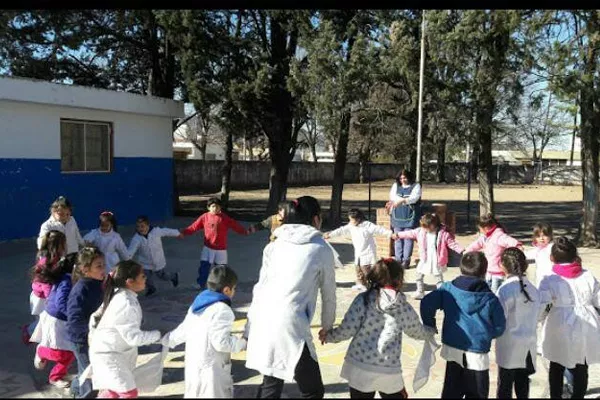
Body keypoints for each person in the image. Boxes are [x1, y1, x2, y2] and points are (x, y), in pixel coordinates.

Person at [244, 196, 337, 399]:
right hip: (291, 324)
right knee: (312, 390)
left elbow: (259, 288)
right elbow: (329, 293)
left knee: (271, 382)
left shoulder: (273, 246)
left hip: (264, 320)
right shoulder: (321, 249)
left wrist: (249, 326)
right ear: (315, 219)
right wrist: (327, 326)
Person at [319, 258, 434, 399]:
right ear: (399, 280)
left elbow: (347, 329)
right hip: (388, 369)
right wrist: (430, 331)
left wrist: (329, 336)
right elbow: (416, 331)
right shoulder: (403, 307)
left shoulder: (363, 300)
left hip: (359, 367)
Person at [420, 252, 506, 399]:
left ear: (461, 268)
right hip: (477, 351)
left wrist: (430, 324)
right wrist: (487, 334)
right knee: (477, 392)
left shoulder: (447, 289)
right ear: (484, 272)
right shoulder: (490, 298)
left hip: (452, 347)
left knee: (452, 389)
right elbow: (500, 327)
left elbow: (426, 303)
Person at [164, 265, 247, 398]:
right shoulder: (222, 310)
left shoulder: (198, 305)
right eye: (234, 289)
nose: (234, 292)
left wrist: (166, 339)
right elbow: (221, 343)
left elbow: (183, 330)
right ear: (226, 290)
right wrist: (242, 343)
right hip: (211, 369)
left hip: (194, 364)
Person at [88, 260, 162, 399]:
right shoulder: (125, 303)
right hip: (108, 354)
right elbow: (133, 338)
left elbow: (95, 318)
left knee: (113, 391)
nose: (145, 278)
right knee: (128, 393)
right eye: (142, 276)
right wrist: (157, 335)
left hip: (111, 352)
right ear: (129, 281)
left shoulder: (120, 294)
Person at [538, 236, 600, 399]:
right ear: (575, 256)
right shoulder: (587, 275)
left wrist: (536, 320)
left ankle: (556, 396)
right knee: (581, 364)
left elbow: (542, 305)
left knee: (556, 364)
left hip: (559, 324)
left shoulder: (549, 278)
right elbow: (598, 299)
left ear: (552, 258)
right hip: (586, 324)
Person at [495, 248, 544, 399]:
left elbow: (499, 318)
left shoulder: (504, 290)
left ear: (502, 266)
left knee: (505, 386)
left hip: (509, 345)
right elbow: (540, 315)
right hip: (528, 344)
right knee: (523, 384)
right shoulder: (534, 290)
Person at [30, 253, 78, 388]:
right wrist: (72, 316)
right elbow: (61, 302)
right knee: (65, 353)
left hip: (59, 318)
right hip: (57, 320)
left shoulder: (68, 278)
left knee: (69, 352)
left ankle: (56, 374)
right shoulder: (66, 281)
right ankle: (43, 353)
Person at [393, 213, 465, 300]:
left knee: (438, 278)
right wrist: (398, 235)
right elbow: (409, 233)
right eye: (423, 226)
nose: (424, 228)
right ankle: (420, 291)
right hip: (425, 259)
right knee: (418, 276)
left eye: (426, 226)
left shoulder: (443, 234)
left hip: (437, 260)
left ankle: (441, 293)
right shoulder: (420, 231)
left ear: (433, 225)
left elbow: (452, 244)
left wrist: (462, 250)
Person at [180, 197, 248, 288]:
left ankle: (221, 286)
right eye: (213, 206)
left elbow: (235, 226)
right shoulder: (204, 217)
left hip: (221, 249)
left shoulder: (224, 218)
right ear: (208, 207)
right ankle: (200, 284)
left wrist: (245, 231)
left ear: (220, 208)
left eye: (217, 207)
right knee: (204, 268)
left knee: (221, 270)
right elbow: (193, 227)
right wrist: (183, 232)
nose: (215, 208)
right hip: (208, 248)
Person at [323, 208, 397, 292]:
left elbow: (379, 229)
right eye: (350, 220)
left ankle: (372, 286)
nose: (351, 222)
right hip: (358, 252)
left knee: (367, 270)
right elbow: (341, 230)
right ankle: (361, 284)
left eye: (352, 220)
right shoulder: (351, 226)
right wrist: (330, 234)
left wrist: (390, 234)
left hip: (367, 252)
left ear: (358, 219)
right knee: (358, 269)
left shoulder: (367, 225)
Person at [67, 246, 106, 398]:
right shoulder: (80, 290)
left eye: (103, 264)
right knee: (91, 374)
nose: (103, 268)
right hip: (81, 339)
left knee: (85, 369)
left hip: (93, 336)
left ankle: (76, 389)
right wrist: (88, 334)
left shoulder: (98, 282)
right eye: (98, 266)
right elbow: (74, 318)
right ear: (85, 270)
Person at [23, 230, 67, 344]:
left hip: (45, 296)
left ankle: (35, 334)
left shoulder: (55, 259)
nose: (66, 246)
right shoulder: (46, 262)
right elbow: (46, 283)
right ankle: (28, 331)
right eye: (64, 244)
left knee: (43, 321)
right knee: (42, 322)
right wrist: (51, 299)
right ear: (57, 246)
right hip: (42, 299)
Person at [465, 213, 522, 293]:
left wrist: (517, 245)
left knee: (496, 294)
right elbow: (477, 243)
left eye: (480, 229)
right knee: (486, 292)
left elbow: (509, 240)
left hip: (498, 273)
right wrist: (467, 251)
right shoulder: (485, 237)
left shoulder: (499, 236)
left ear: (486, 228)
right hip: (488, 271)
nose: (480, 231)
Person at [127, 215, 182, 297]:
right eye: (138, 227)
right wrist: (127, 258)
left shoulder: (156, 231)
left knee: (162, 276)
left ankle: (174, 276)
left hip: (158, 260)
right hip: (145, 263)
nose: (140, 229)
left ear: (148, 225)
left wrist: (178, 233)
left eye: (142, 226)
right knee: (146, 277)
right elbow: (131, 250)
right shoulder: (136, 238)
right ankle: (151, 288)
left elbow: (167, 231)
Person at [385, 169, 422, 269]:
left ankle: (406, 260)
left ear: (409, 177)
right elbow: (392, 197)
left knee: (408, 238)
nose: (403, 180)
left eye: (404, 178)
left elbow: (414, 198)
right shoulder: (396, 186)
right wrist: (396, 202)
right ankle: (398, 259)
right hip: (397, 215)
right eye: (401, 178)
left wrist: (402, 200)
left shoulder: (416, 186)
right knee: (397, 238)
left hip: (410, 215)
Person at [524, 223, 554, 288]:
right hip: (540, 280)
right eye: (538, 236)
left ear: (550, 236)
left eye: (544, 235)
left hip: (552, 278)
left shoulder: (552, 248)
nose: (541, 238)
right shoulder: (537, 250)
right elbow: (526, 254)